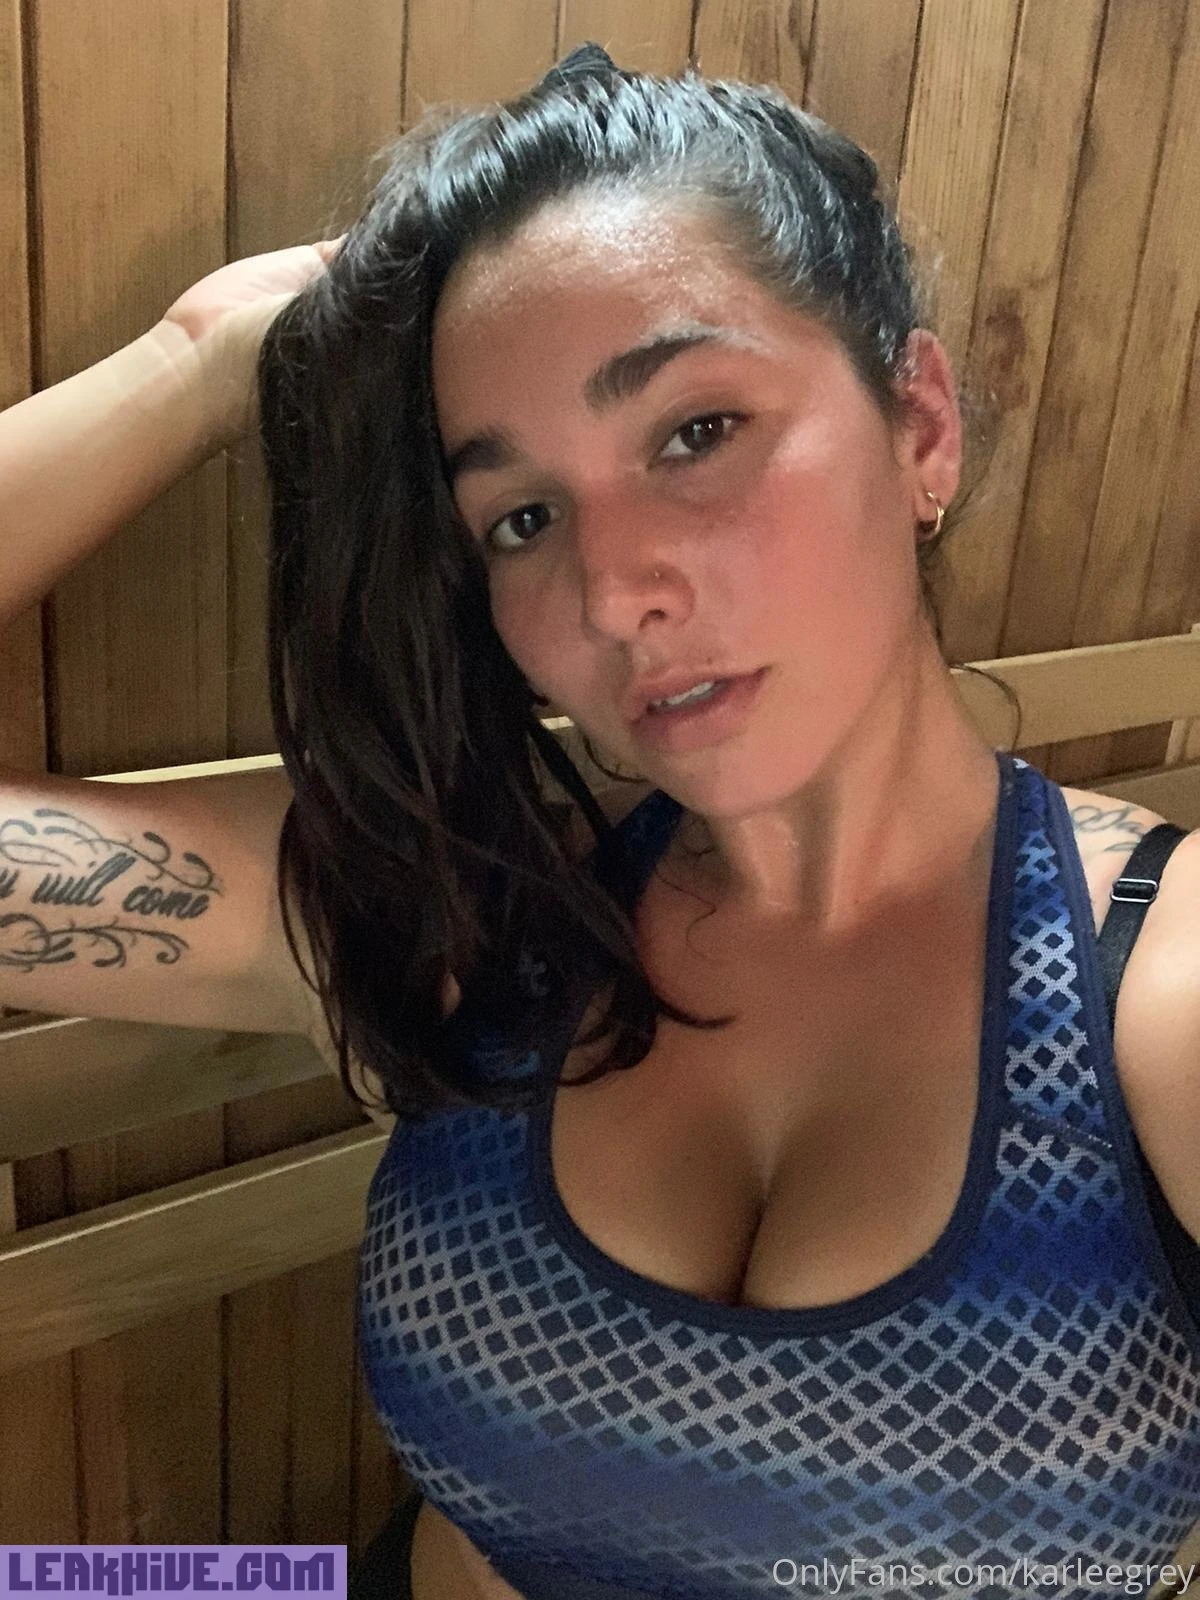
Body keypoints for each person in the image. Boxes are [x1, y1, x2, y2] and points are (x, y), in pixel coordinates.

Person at [2, 40, 1198, 1600]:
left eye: (696, 433)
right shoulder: (474, 912)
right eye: (521, 516)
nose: (613, 588)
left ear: (920, 426)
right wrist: (204, 359)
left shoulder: (1157, 997)